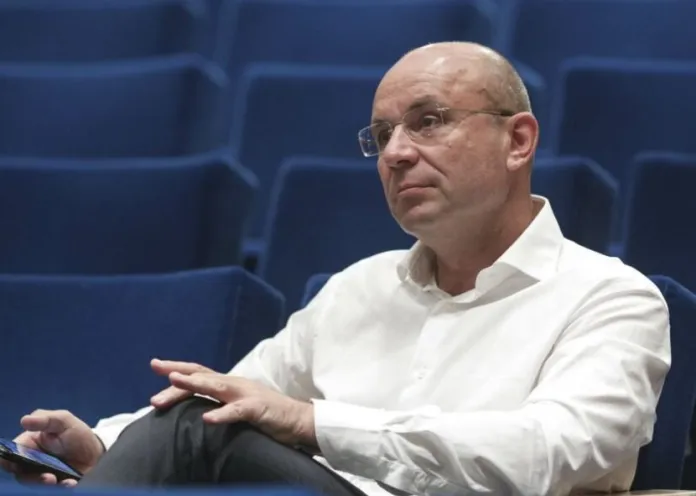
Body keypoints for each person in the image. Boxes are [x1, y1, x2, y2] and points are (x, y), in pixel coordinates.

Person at [2, 42, 670, 496]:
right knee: (197, 422)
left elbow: (551, 452)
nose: (397, 153)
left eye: (428, 121)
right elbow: (236, 396)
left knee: (194, 433)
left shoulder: (611, 298)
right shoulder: (358, 288)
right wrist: (101, 445)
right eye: (382, 135)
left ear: (517, 140)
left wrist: (315, 424)